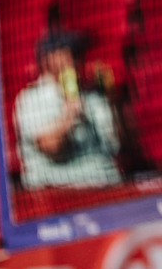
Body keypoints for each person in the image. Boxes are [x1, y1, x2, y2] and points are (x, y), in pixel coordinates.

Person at [14, 29, 122, 189]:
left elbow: (117, 146)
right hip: (56, 189)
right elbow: (52, 148)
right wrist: (69, 117)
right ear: (47, 59)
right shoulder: (30, 98)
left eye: (77, 52)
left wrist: (114, 100)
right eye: (67, 52)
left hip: (102, 183)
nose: (74, 59)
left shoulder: (94, 96)